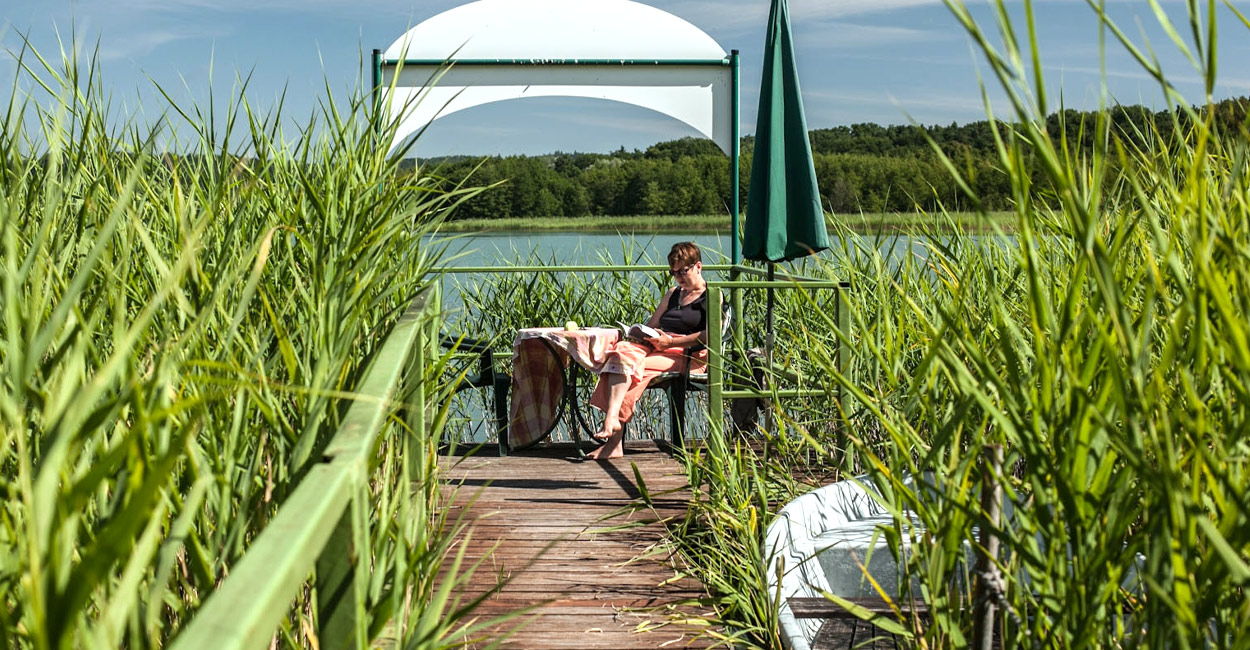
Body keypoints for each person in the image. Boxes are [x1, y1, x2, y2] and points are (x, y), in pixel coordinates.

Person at [586, 242, 711, 460]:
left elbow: (710, 335)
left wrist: (671, 342)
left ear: (698, 266)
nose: (679, 277)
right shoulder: (673, 294)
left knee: (633, 368)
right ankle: (613, 426)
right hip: (660, 347)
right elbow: (652, 324)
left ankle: (613, 439)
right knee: (620, 354)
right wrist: (639, 333)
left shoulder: (710, 296)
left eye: (683, 271)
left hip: (689, 355)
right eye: (674, 272)